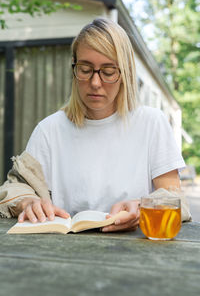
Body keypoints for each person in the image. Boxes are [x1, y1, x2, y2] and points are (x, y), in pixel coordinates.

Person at [2, 18, 187, 230]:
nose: (95, 83)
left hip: (137, 254)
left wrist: (142, 206)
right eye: (85, 69)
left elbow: (174, 197)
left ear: (125, 72)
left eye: (108, 72)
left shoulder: (151, 123)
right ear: (74, 67)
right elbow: (16, 188)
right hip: (61, 252)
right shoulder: (49, 130)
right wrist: (29, 202)